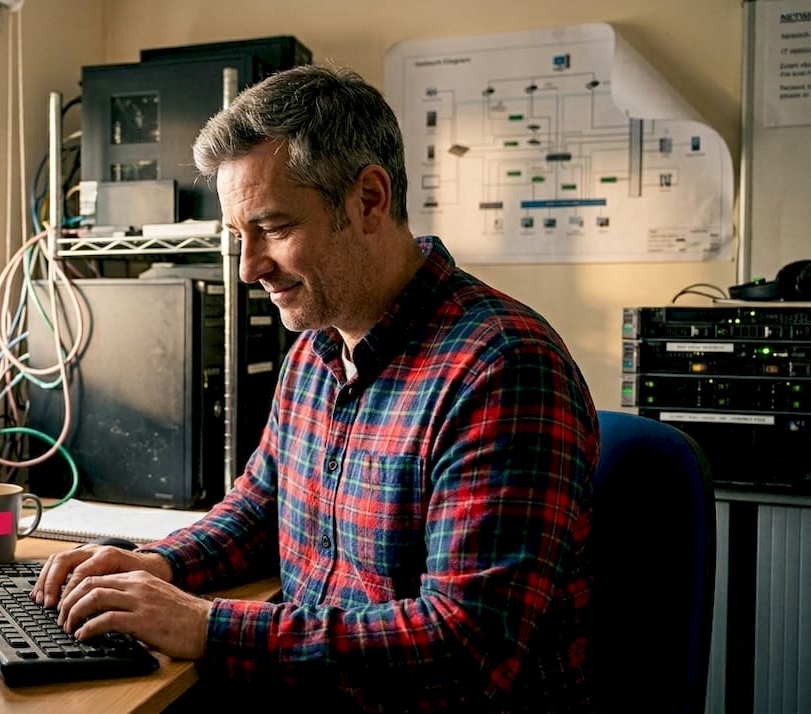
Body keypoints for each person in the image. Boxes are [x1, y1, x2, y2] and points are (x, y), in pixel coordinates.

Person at [31, 63, 599, 712]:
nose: (248, 269)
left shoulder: (502, 367)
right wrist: (157, 566)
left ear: (368, 201)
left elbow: (469, 649)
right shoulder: (312, 353)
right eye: (236, 237)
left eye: (272, 229)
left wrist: (201, 626)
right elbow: (259, 505)